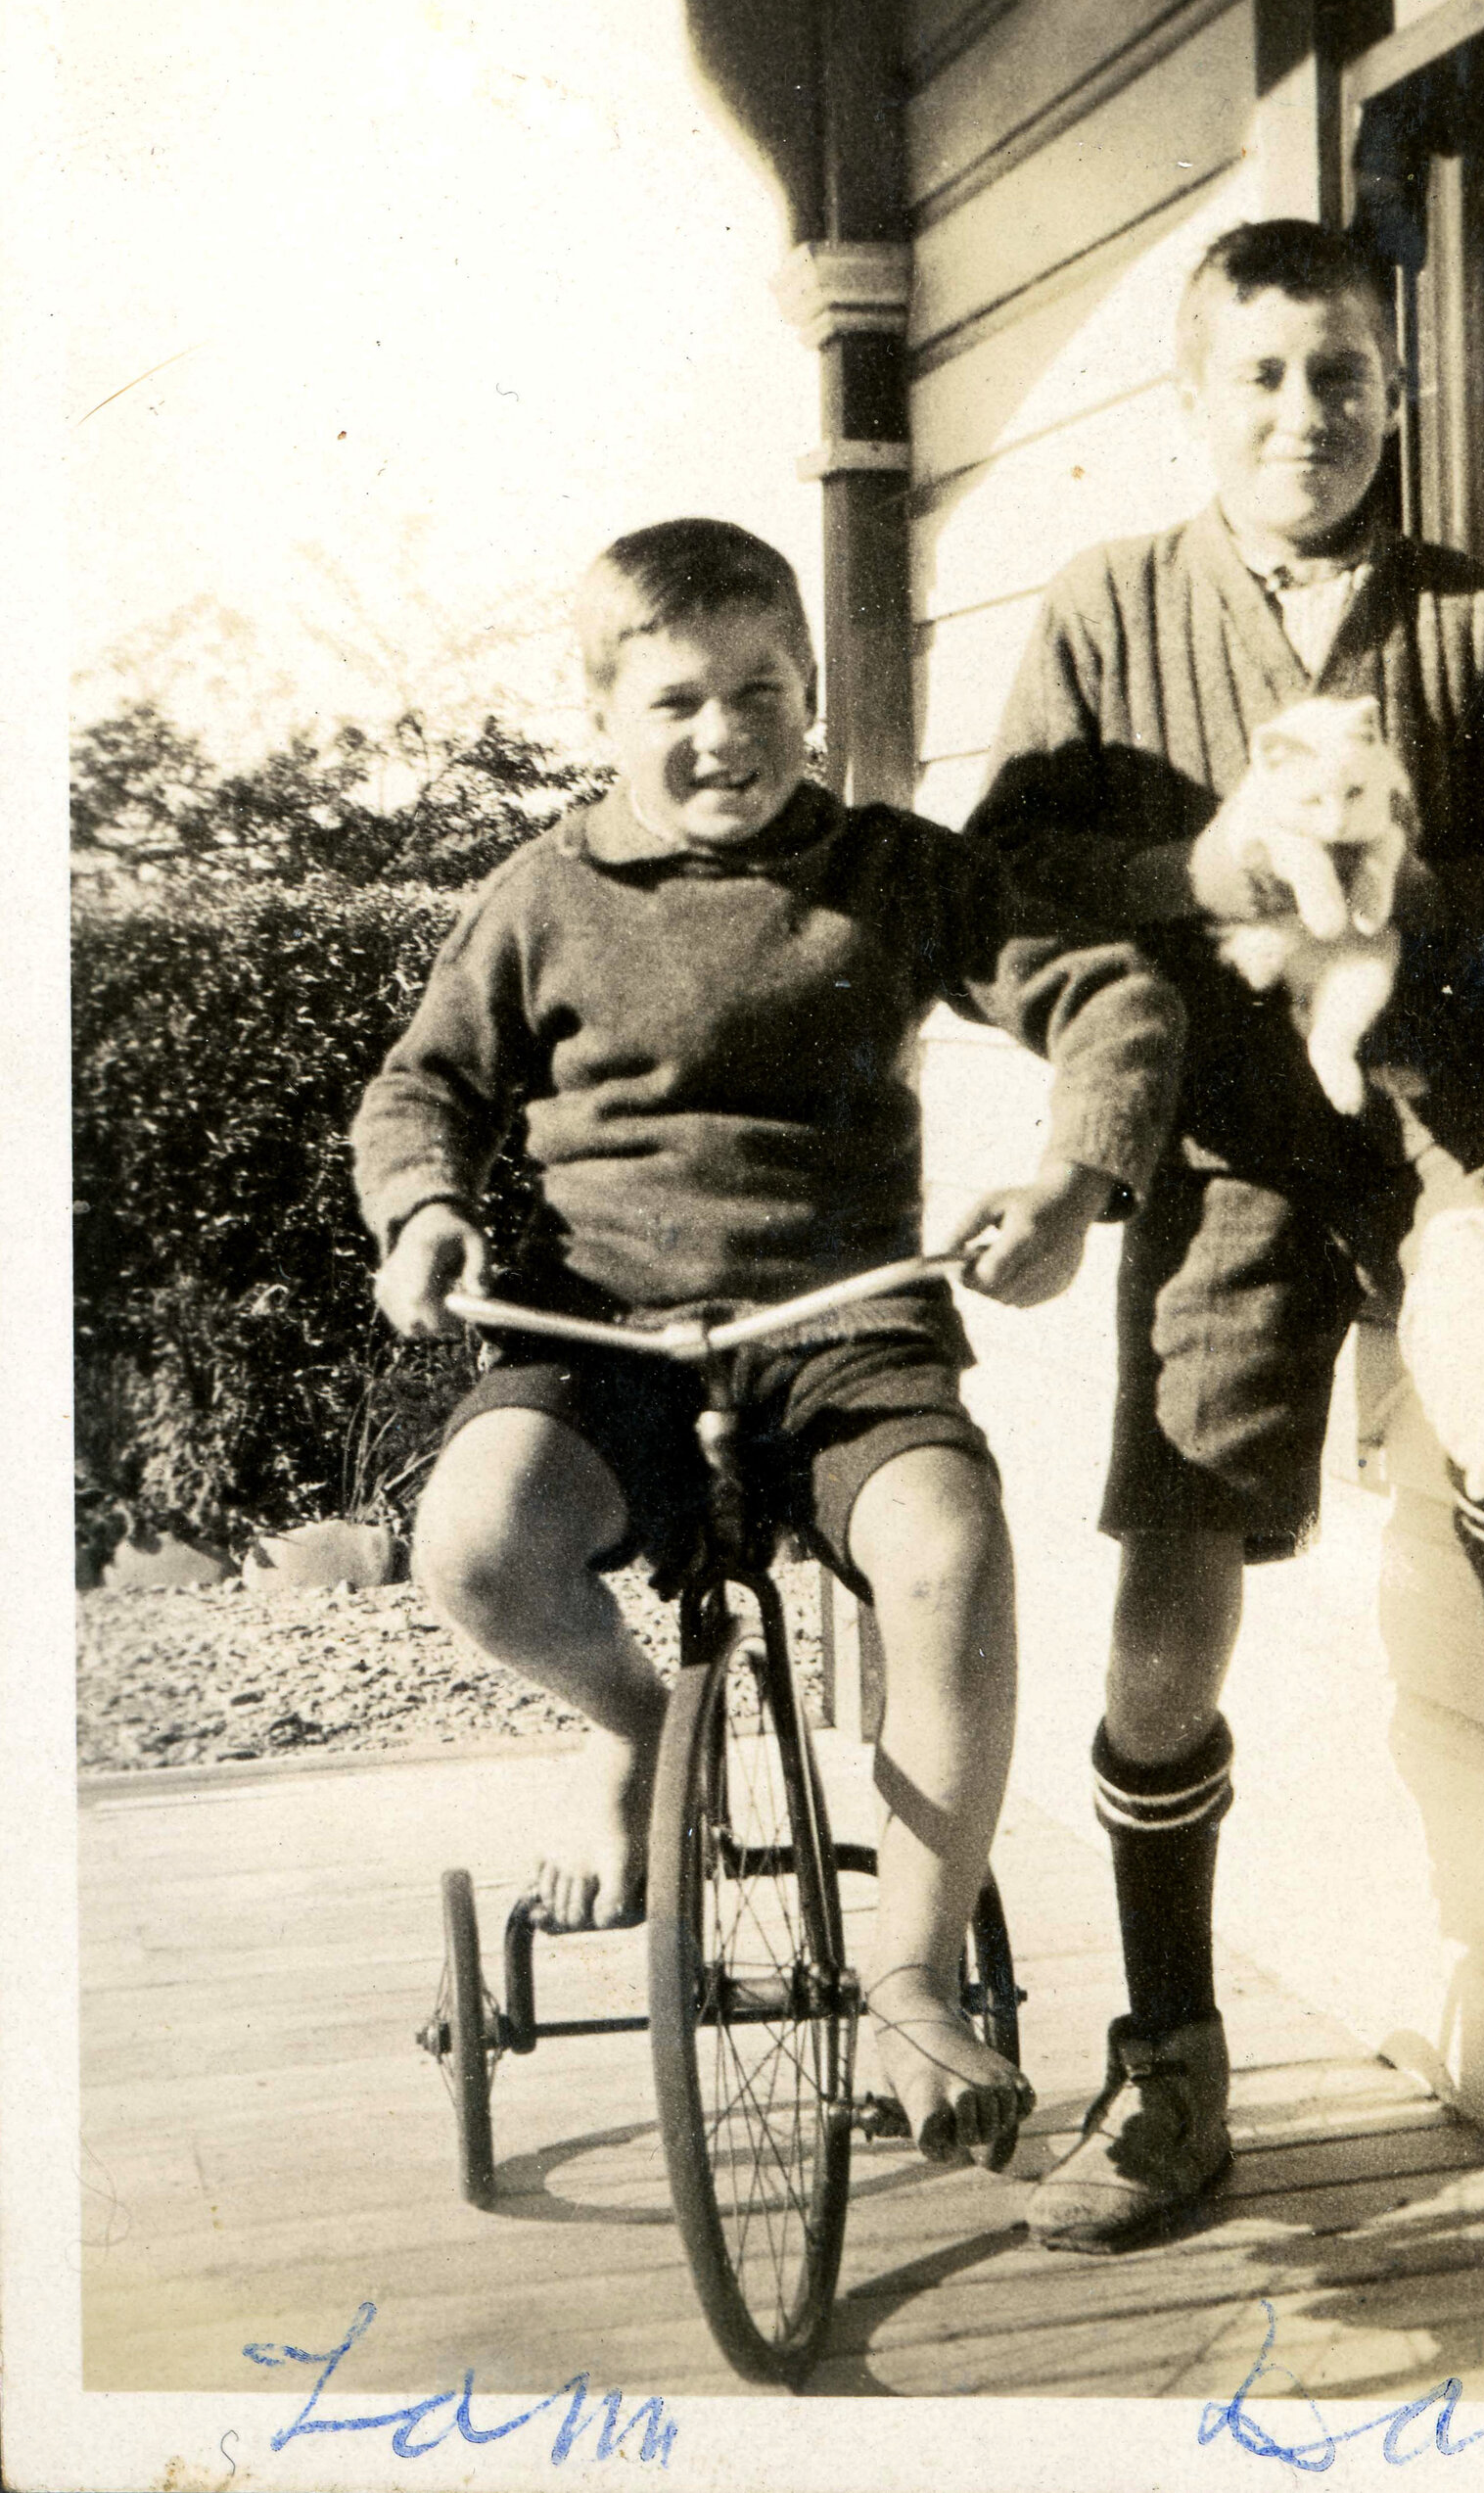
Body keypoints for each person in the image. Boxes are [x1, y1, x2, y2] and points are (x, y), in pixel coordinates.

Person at [966, 218, 1484, 2253]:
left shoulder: (1464, 614)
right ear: (1193, 402)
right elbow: (1007, 877)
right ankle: (1171, 2051)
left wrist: (1416, 895)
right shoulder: (1112, 608)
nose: (1306, 412)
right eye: (1263, 377)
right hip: (1224, 1154)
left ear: (1397, 392)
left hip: (1442, 1127)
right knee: (1172, 1585)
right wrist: (1203, 866)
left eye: (1343, 373)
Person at [351, 517, 1183, 2172]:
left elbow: (1108, 1000)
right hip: (604, 1330)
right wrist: (424, 1219)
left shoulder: (890, 869)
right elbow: (421, 1086)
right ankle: (635, 1726)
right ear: (603, 712)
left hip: (844, 1323)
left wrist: (1073, 1185)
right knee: (474, 1544)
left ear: (813, 697)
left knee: (954, 1546)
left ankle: (910, 1978)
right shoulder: (542, 895)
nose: (722, 735)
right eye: (675, 701)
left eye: (762, 692)